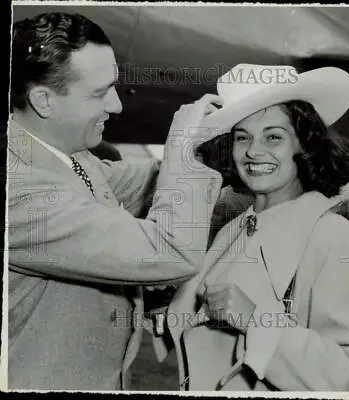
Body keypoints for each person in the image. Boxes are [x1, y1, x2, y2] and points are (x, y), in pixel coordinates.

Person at [7, 12, 223, 390]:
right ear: (43, 100)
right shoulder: (19, 191)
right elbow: (171, 252)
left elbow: (142, 181)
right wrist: (181, 149)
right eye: (99, 92)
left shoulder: (67, 157)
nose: (118, 105)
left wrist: (220, 141)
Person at [152, 64, 349, 391]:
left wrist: (257, 321)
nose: (253, 151)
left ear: (304, 146)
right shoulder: (234, 229)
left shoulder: (331, 234)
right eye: (242, 138)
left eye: (274, 137)